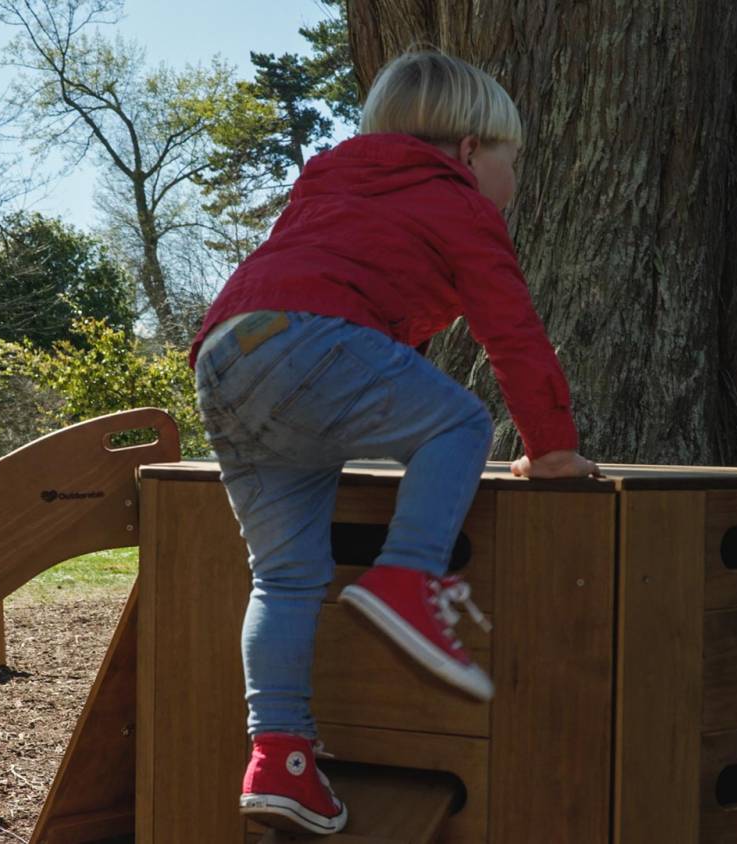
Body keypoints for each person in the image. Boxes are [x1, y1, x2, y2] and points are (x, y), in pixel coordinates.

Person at [189, 48, 599, 836]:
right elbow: (510, 330)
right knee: (460, 420)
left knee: (284, 577)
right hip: (308, 339)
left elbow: (348, 298)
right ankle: (407, 577)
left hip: (226, 355)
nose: (514, 186)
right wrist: (550, 444)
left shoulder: (331, 185)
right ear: (472, 152)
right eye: (515, 163)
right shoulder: (455, 199)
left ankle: (281, 759)